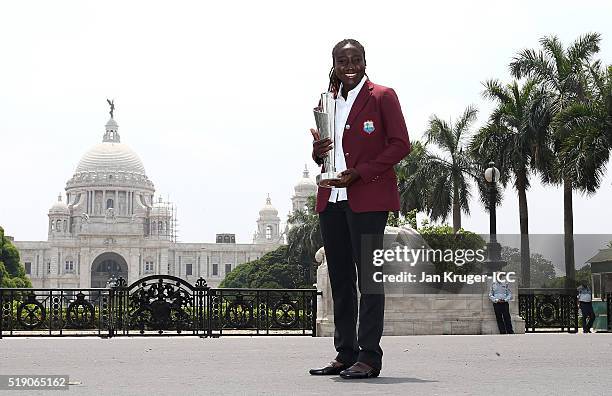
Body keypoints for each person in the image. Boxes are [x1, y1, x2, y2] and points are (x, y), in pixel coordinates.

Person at [308, 39, 410, 379]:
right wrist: (316, 150)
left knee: (369, 279)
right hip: (330, 198)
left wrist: (361, 173)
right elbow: (327, 153)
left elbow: (400, 144)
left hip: (367, 196)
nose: (349, 65)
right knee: (340, 279)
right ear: (334, 64)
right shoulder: (327, 101)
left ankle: (369, 356)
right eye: (342, 60)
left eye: (355, 59)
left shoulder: (382, 96)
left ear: (365, 62)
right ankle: (345, 352)